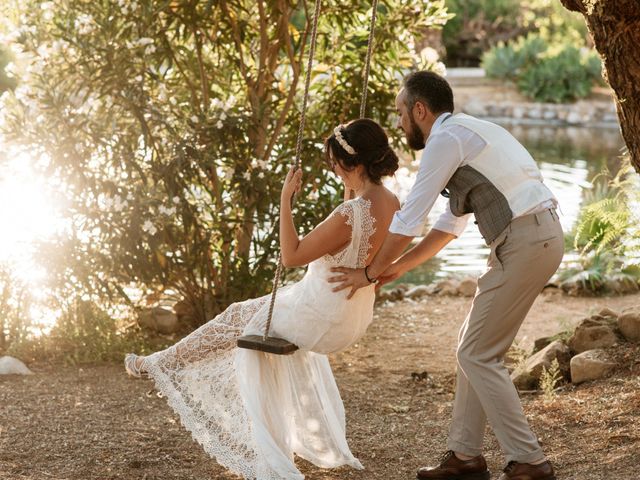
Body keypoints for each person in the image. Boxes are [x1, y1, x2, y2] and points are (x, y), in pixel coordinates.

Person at [123, 118, 401, 480]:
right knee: (246, 315)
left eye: (334, 164)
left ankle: (161, 363)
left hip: (320, 314)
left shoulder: (350, 213)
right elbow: (366, 241)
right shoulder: (391, 201)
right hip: (352, 315)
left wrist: (286, 200)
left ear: (353, 163)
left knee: (239, 315)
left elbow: (292, 255)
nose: (333, 171)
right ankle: (163, 361)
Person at [329, 71, 562, 480]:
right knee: (471, 347)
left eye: (401, 113)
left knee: (476, 353)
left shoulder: (444, 140)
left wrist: (369, 272)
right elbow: (448, 227)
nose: (399, 123)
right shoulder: (466, 134)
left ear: (420, 109)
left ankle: (528, 459)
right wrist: (397, 267)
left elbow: (407, 220)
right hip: (534, 237)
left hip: (525, 240)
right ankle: (464, 456)